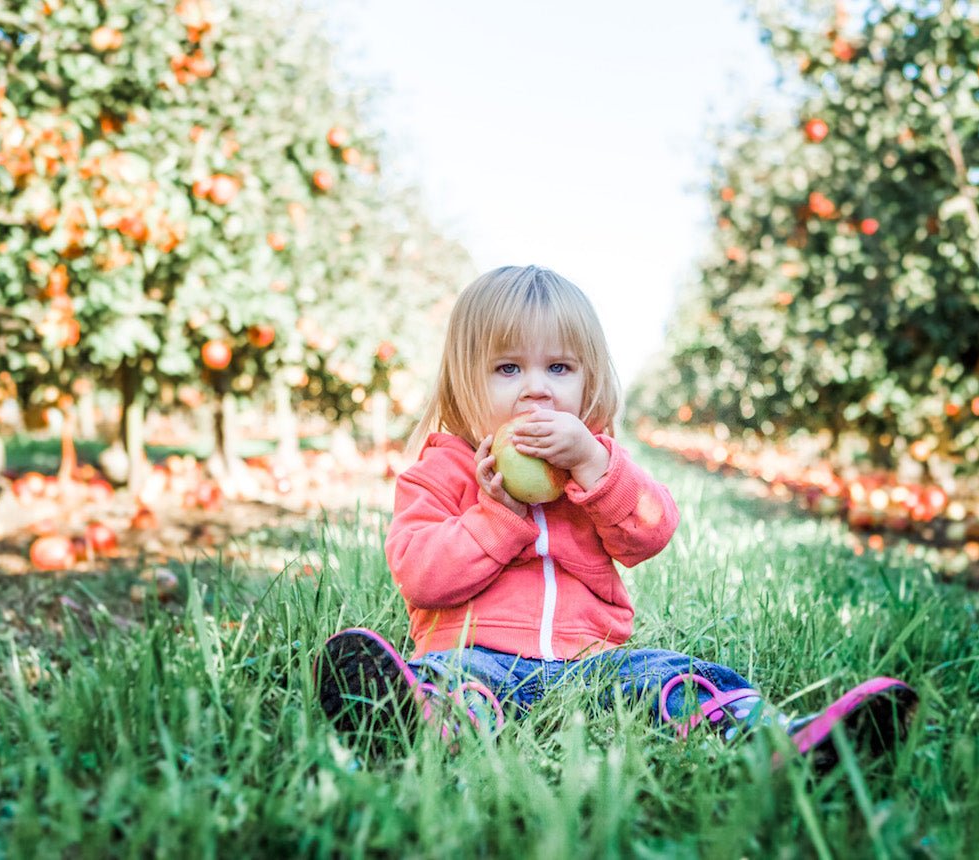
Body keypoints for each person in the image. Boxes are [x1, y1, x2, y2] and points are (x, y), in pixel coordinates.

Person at [315, 264, 916, 767]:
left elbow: (651, 532)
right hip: (476, 653)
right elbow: (421, 577)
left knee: (675, 676)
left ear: (588, 379)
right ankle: (415, 720)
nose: (536, 389)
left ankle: (779, 739)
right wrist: (497, 517)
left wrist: (593, 467)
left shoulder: (596, 465)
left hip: (593, 663)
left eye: (559, 368)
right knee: (450, 681)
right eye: (508, 368)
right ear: (464, 379)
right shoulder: (440, 471)